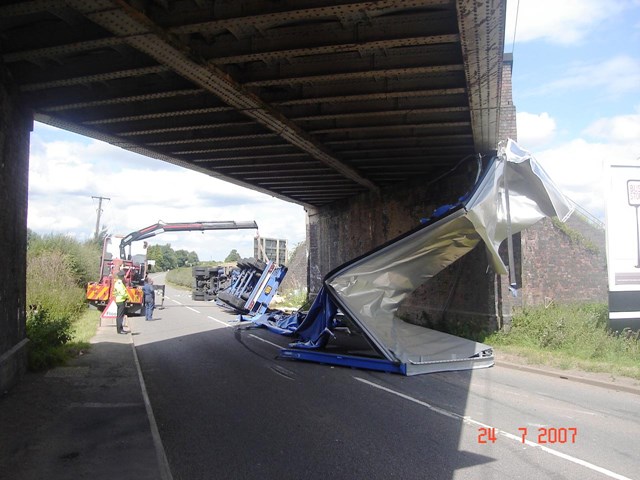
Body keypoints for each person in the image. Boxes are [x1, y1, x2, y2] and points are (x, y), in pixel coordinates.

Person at [113, 270, 130, 334]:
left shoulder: (117, 282)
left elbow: (115, 292)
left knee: (119, 316)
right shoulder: (120, 284)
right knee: (120, 316)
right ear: (122, 277)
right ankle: (119, 330)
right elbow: (123, 292)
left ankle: (120, 329)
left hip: (118, 300)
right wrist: (127, 297)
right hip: (121, 300)